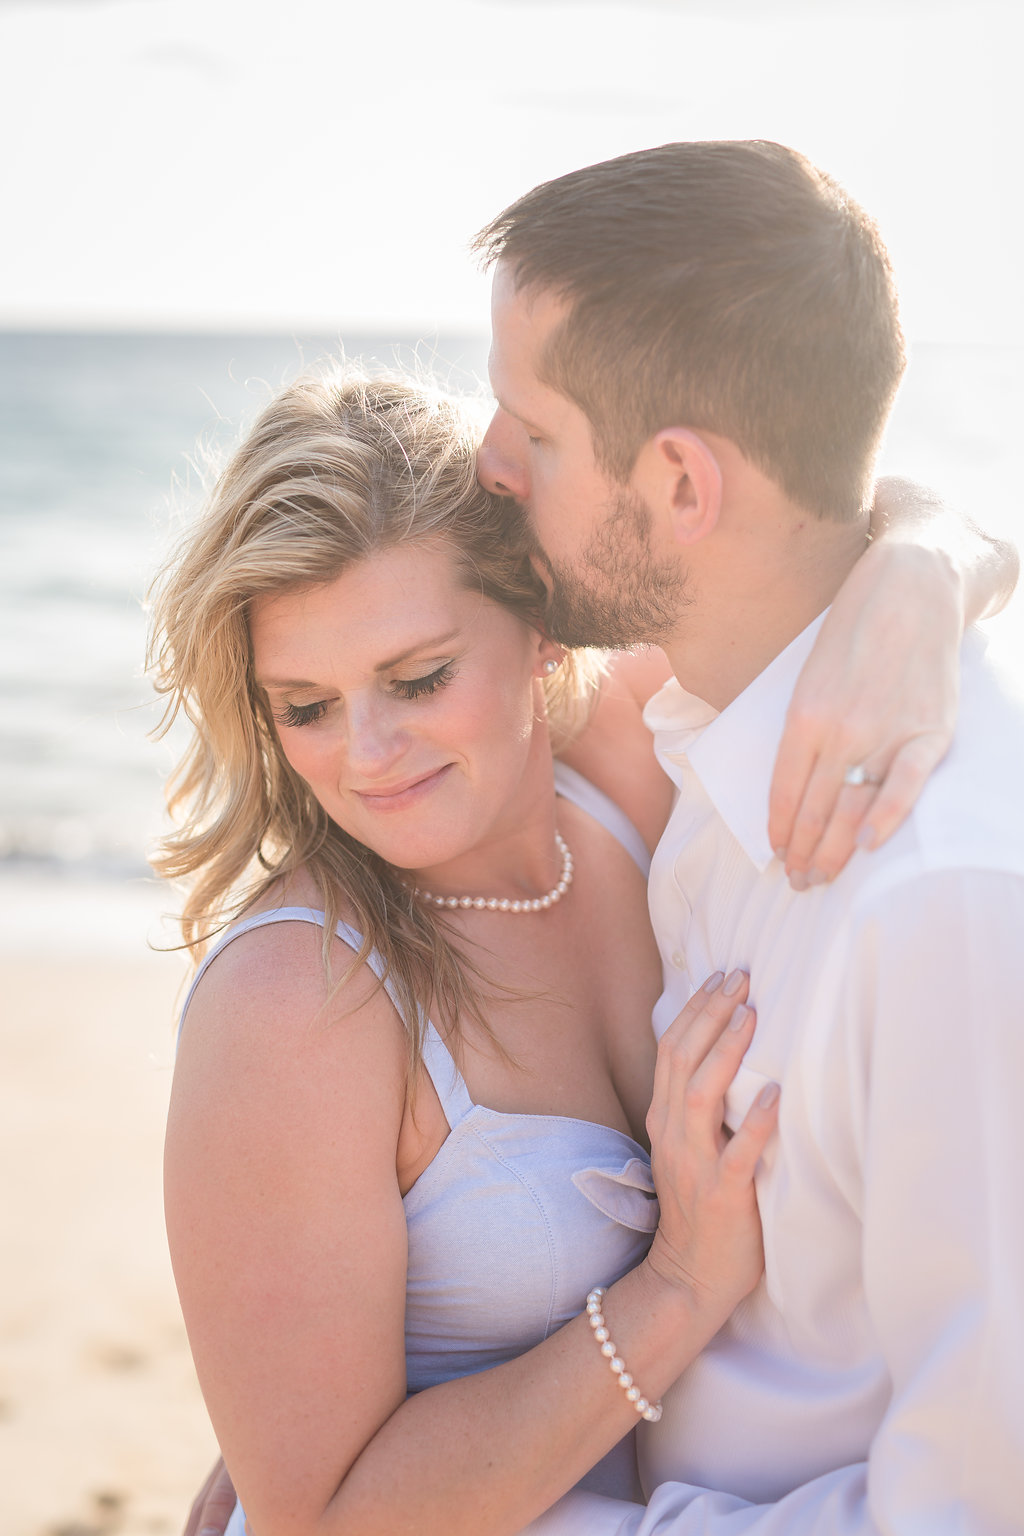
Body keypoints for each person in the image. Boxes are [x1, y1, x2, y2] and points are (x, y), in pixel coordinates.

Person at [168, 344, 1013, 1536]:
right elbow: (318, 1522)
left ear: (546, 620)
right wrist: (676, 1289)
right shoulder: (295, 997)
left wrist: (922, 573)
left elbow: (840, 521)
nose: (364, 753)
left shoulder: (633, 753)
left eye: (417, 678)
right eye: (305, 705)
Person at [458, 139, 1022, 1533]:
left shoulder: (939, 905)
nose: (486, 464)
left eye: (530, 431)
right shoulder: (708, 738)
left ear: (684, 488)